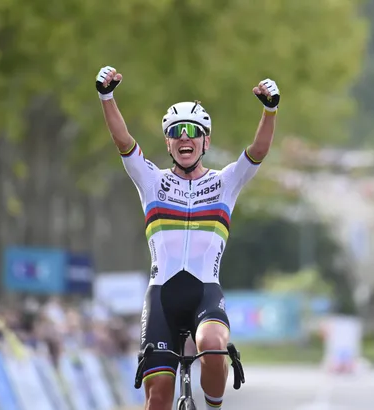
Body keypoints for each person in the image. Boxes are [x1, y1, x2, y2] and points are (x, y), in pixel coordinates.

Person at [96, 66, 279, 410]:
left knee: (213, 345)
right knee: (158, 395)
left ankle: (213, 406)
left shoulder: (225, 182)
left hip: (204, 293)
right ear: (167, 142)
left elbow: (258, 150)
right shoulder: (152, 181)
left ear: (205, 141)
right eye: (175, 132)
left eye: (193, 131)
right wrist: (106, 96)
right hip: (162, 296)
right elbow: (123, 142)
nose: (184, 137)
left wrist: (270, 110)